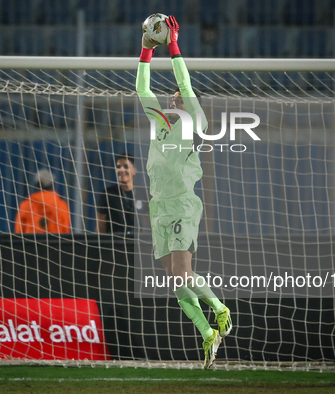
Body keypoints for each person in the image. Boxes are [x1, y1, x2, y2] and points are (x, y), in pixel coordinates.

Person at [136, 15, 233, 369]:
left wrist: (173, 46)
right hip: (158, 207)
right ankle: (207, 333)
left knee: (181, 272)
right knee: (174, 280)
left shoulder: (195, 123)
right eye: (173, 96)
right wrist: (145, 51)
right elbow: (142, 90)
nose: (174, 97)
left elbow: (186, 82)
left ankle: (220, 308)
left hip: (182, 205)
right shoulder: (160, 122)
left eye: (178, 96)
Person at [96, 153, 142, 234]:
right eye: (118, 167)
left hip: (136, 243)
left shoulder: (143, 193)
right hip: (115, 243)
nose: (121, 170)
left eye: (126, 166)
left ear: (134, 170)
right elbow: (100, 226)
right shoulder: (108, 194)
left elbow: (150, 222)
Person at [14, 169, 71, 234]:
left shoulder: (26, 206)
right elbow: (65, 230)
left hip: (31, 243)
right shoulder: (61, 206)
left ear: (36, 185)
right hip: (56, 243)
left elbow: (19, 230)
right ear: (52, 184)